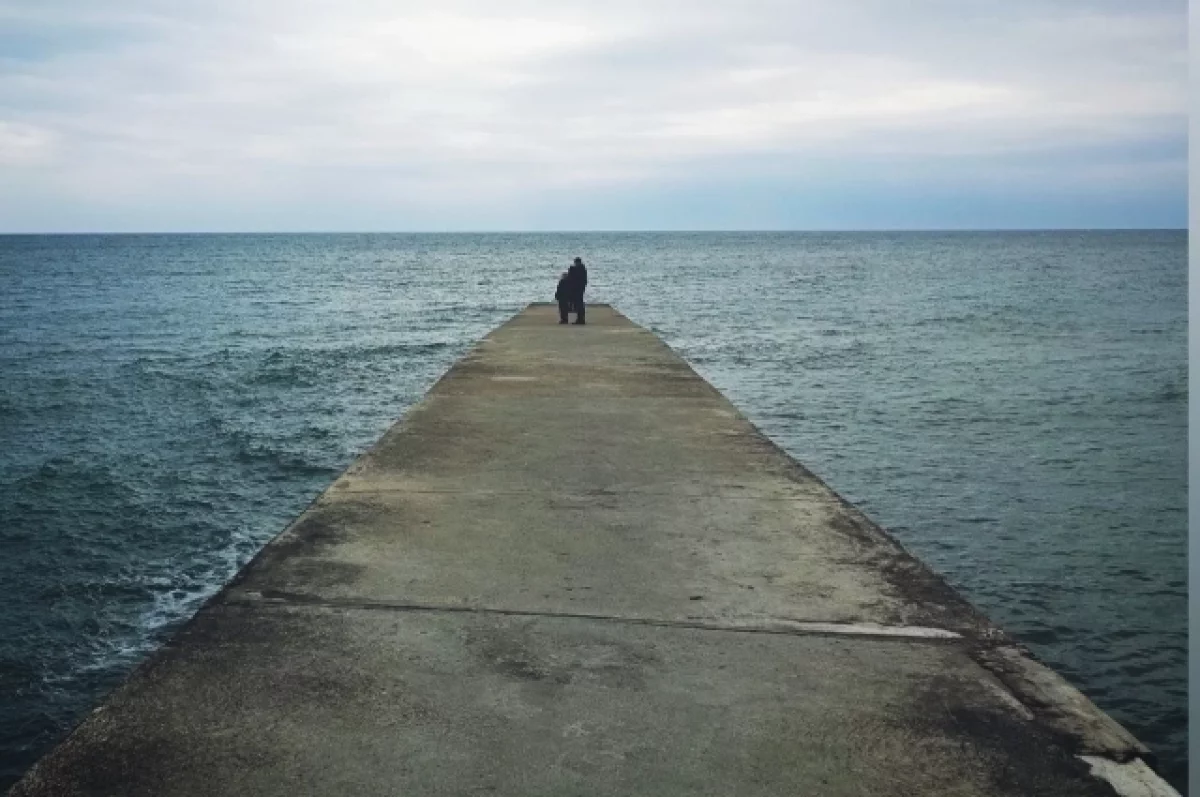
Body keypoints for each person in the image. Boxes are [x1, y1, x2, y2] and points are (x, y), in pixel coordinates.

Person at [566, 256, 588, 325]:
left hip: (575, 289)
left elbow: (570, 279)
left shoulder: (574, 269)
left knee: (576, 304)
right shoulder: (583, 270)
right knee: (579, 304)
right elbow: (584, 281)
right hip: (580, 289)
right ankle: (581, 318)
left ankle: (578, 319)